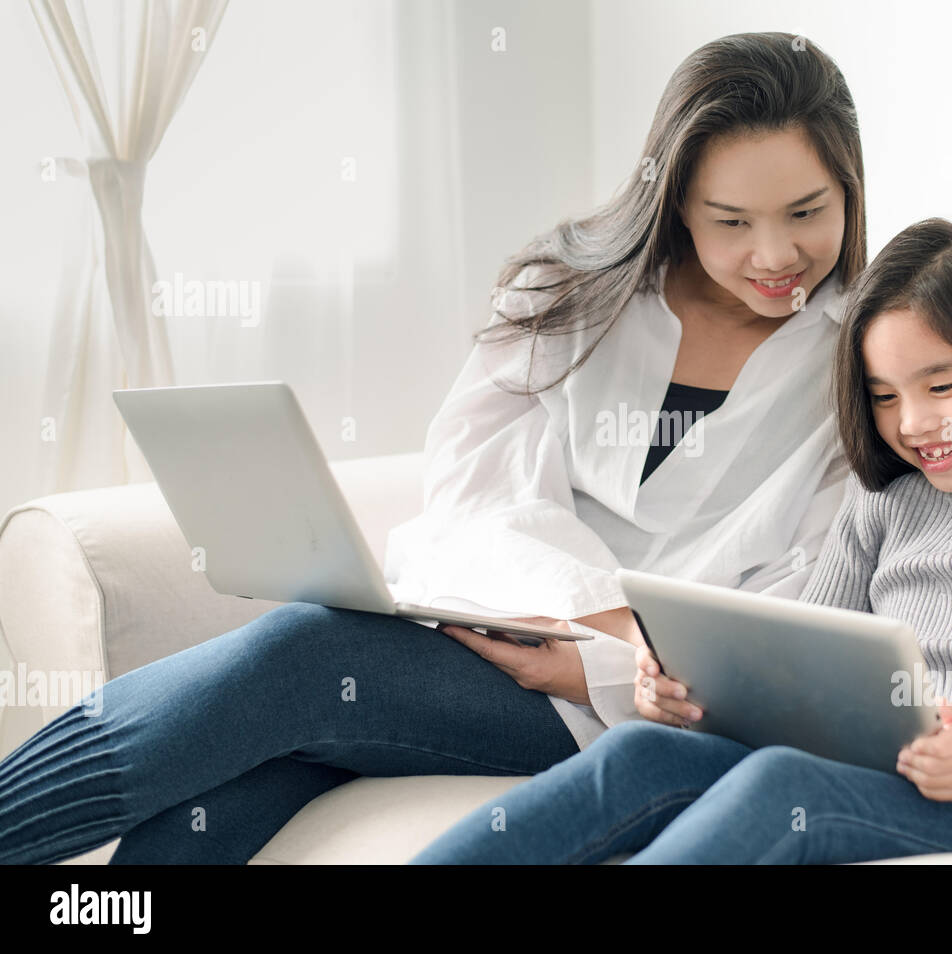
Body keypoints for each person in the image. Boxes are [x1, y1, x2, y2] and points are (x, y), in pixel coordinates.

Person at [0, 32, 868, 865]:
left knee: (304, 654)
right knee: (272, 757)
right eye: (731, 220)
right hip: (492, 619)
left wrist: (595, 666)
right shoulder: (571, 291)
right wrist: (598, 619)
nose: (774, 254)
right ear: (677, 200)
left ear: (850, 192)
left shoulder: (865, 360)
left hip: (626, 704)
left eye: (805, 213)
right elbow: (472, 491)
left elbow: (809, 596)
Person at [410, 216, 952, 865]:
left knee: (781, 786)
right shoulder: (884, 497)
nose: (913, 423)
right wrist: (681, 696)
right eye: (885, 396)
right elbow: (794, 667)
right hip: (862, 774)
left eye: (942, 385)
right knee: (635, 756)